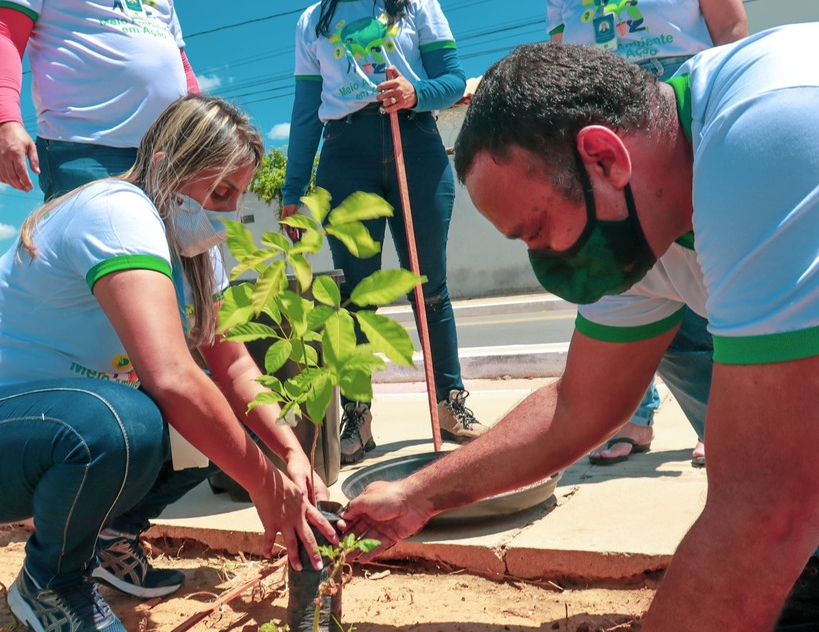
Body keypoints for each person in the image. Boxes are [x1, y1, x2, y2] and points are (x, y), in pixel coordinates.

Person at [342, 27, 818, 630]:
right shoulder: (641, 211)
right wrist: (416, 495)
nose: (547, 263)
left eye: (537, 230)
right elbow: (576, 407)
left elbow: (766, 511)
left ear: (603, 157)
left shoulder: (767, 134)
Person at [0, 96, 336, 632]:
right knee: (128, 422)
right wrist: (267, 488)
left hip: (56, 429)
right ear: (164, 165)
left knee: (213, 422)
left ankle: (110, 540)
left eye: (237, 196)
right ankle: (53, 582)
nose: (226, 212)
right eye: (219, 191)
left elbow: (234, 370)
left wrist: (290, 453)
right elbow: (171, 377)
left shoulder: (198, 255)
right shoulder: (116, 211)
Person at [280, 0, 488, 466]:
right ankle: (357, 416)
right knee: (355, 298)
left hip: (414, 143)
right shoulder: (312, 20)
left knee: (428, 287)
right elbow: (306, 111)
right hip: (344, 156)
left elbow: (454, 80)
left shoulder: (417, 5)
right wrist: (293, 189)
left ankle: (449, 404)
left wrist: (417, 92)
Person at [547, 0, 748, 467]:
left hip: (682, 92)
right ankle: (637, 418)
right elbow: (560, 57)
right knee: (626, 274)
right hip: (594, 104)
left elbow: (730, 26)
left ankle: (726, 420)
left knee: (706, 270)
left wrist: (727, 107)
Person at [0, 0, 201, 201]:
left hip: (172, 150)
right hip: (85, 147)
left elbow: (181, 62)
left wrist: (203, 127)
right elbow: (4, 32)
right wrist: (6, 121)